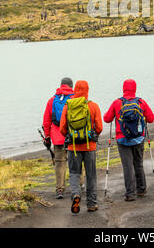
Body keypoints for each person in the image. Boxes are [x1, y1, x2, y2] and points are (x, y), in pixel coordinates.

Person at [104, 79, 154, 201]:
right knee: (138, 164)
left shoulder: (117, 103)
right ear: (135, 89)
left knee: (127, 167)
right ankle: (141, 189)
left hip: (123, 139)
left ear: (123, 89)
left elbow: (106, 119)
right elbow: (151, 118)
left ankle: (130, 194)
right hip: (138, 138)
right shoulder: (141, 102)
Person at [60, 80, 103, 214]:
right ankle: (91, 204)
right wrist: (92, 134)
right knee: (91, 175)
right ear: (87, 90)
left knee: (74, 173)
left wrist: (71, 136)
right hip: (89, 146)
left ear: (75, 90)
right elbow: (100, 127)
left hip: (73, 147)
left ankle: (76, 195)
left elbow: (62, 128)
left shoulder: (68, 106)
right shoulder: (93, 106)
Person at [43, 77, 74, 199]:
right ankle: (79, 185)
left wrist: (47, 137)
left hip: (57, 137)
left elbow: (46, 121)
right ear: (71, 86)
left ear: (61, 85)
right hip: (72, 136)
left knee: (59, 163)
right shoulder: (75, 99)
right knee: (75, 162)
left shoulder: (52, 100)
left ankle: (60, 189)